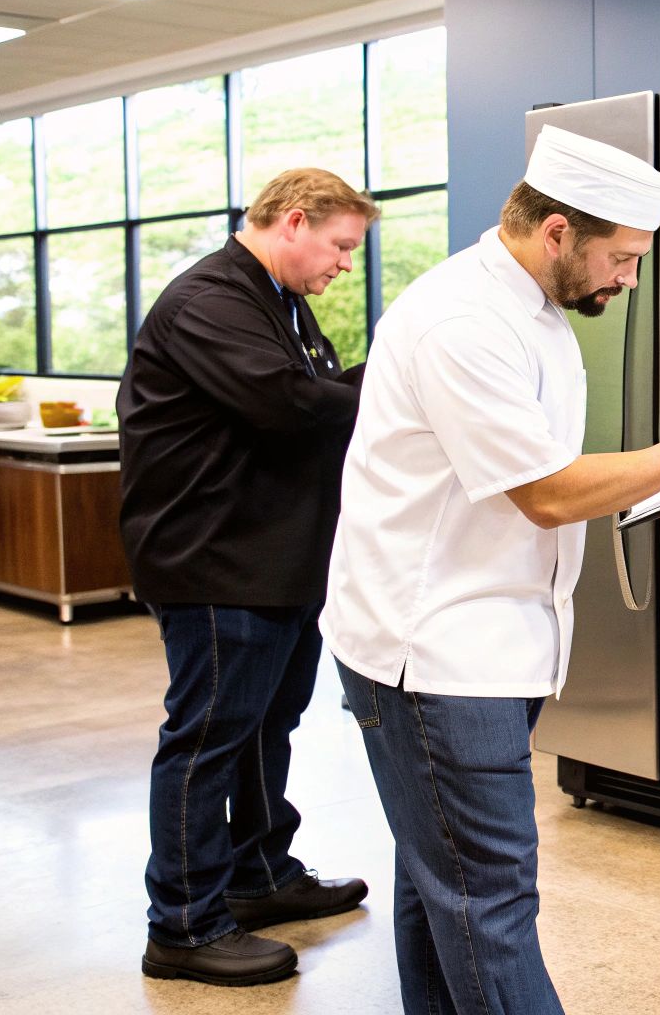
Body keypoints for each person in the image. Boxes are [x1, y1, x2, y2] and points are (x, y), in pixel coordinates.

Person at [320, 126, 660, 1013]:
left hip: (494, 635)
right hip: (436, 653)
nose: (630, 280)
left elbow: (535, 478)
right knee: (488, 897)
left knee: (441, 880)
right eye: (622, 257)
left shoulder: (532, 309)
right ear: (558, 232)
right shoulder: (462, 321)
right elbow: (543, 494)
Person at [119, 167, 380, 987]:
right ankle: (185, 927)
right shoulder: (212, 300)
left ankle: (260, 876)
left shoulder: (280, 303)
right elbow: (290, 405)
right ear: (293, 222)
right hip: (215, 561)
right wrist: (400, 376)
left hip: (275, 558)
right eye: (340, 246)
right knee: (206, 741)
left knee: (268, 729)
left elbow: (316, 394)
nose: (344, 265)